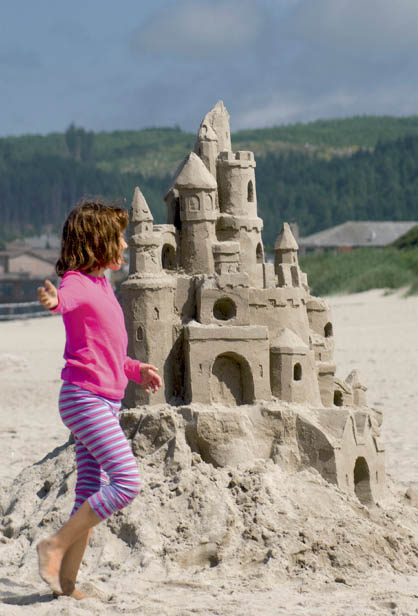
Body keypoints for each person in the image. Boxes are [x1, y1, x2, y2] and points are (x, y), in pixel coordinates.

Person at [36, 199, 162, 599]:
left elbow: (107, 350)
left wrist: (135, 370)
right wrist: (54, 302)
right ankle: (53, 546)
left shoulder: (103, 285)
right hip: (83, 398)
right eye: (119, 238)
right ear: (97, 242)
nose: (125, 245)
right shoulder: (75, 281)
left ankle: (65, 583)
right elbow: (64, 301)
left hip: (103, 400)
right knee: (126, 482)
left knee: (90, 492)